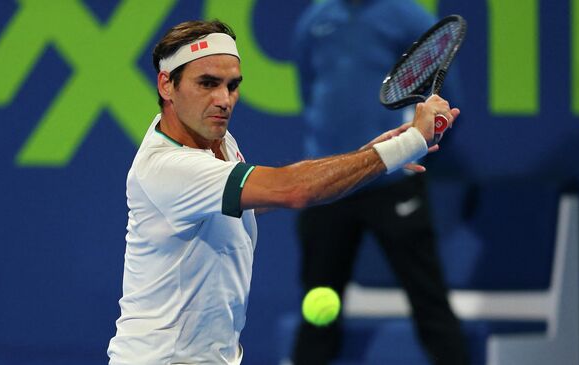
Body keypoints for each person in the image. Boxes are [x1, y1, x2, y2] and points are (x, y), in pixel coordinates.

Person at [107, 19, 458, 365]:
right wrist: (411, 142)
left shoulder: (213, 139)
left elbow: (252, 201)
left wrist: (369, 156)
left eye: (232, 85)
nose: (223, 99)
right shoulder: (168, 167)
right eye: (207, 83)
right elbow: (292, 189)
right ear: (167, 85)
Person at [290, 1, 470, 364]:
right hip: (329, 184)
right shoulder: (315, 20)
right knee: (317, 306)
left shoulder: (409, 16)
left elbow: (450, 101)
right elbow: (309, 92)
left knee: (428, 300)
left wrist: (412, 148)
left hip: (393, 181)